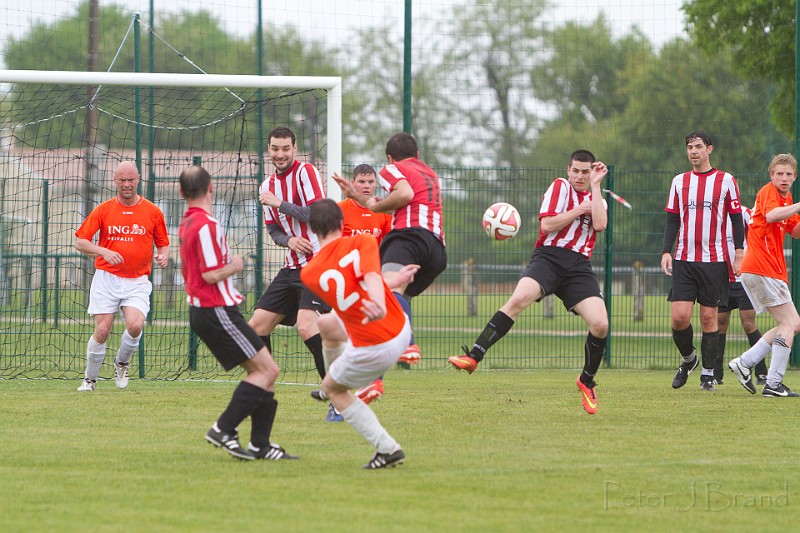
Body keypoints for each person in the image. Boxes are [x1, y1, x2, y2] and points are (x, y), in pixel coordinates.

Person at [449, 150, 610, 415]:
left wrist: (595, 187)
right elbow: (547, 225)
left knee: (601, 324)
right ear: (568, 170)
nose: (580, 176)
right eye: (576, 171)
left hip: (579, 266)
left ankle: (587, 380)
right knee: (519, 299)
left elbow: (600, 225)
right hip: (549, 258)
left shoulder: (597, 198)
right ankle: (473, 356)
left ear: (592, 172)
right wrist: (578, 209)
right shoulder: (559, 187)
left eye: (586, 172)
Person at [178, 165, 297, 460]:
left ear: (181, 193)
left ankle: (260, 445)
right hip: (215, 310)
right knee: (267, 370)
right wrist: (235, 265)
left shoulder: (187, 222)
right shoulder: (206, 225)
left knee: (265, 373)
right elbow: (208, 275)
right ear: (211, 188)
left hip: (210, 311)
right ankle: (223, 428)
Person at [300, 199, 419, 468]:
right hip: (400, 327)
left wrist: (376, 301)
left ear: (312, 230)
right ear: (342, 225)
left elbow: (364, 283)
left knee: (333, 390)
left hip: (376, 346)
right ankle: (340, 377)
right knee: (327, 324)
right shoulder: (363, 241)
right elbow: (368, 279)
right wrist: (394, 284)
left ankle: (387, 449)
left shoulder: (309, 273)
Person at [333, 132, 447, 367]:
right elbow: (404, 201)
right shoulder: (429, 173)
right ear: (417, 154)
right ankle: (376, 369)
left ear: (390, 158)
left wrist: (376, 207)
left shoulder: (392, 169)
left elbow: (404, 194)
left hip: (410, 238)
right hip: (437, 250)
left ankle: (408, 345)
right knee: (393, 301)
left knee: (386, 293)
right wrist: (360, 199)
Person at [247, 126, 336, 421]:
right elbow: (273, 229)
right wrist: (289, 240)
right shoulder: (266, 185)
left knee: (306, 326)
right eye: (275, 148)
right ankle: (264, 388)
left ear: (295, 148)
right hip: (292, 266)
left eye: (286, 148)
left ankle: (338, 395)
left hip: (318, 263)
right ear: (268, 149)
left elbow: (318, 214)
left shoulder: (305, 172)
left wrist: (280, 203)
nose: (280, 154)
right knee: (256, 326)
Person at [74, 161, 170, 391]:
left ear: (138, 179)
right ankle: (90, 379)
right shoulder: (104, 209)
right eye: (122, 180)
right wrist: (103, 250)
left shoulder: (153, 211)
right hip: (107, 278)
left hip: (137, 280)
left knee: (136, 325)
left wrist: (163, 256)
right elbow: (80, 241)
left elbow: (164, 244)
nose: (127, 184)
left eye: (130, 180)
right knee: (103, 329)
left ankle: (122, 363)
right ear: (114, 181)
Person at [661, 131, 745, 392]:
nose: (693, 151)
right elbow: (673, 218)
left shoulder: (726, 180)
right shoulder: (679, 181)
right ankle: (689, 359)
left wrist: (739, 251)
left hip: (714, 261)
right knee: (679, 317)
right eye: (689, 147)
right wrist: (666, 251)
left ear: (710, 149)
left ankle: (708, 374)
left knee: (710, 319)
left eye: (698, 146)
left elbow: (735, 218)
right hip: (684, 259)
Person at [728, 153, 800, 397]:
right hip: (762, 266)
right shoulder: (769, 192)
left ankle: (745, 362)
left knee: (789, 324)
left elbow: (796, 231)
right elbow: (770, 216)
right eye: (779, 173)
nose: (784, 178)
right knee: (790, 323)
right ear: (772, 175)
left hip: (768, 269)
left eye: (789, 174)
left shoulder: (787, 198)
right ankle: (773, 383)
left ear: (795, 177)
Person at [338, 164, 393, 404]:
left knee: (373, 332)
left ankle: (372, 381)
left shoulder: (383, 213)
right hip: (347, 283)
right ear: (352, 183)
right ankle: (343, 382)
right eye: (362, 181)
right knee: (342, 334)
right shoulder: (340, 210)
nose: (367, 186)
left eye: (371, 182)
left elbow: (390, 246)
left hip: (372, 282)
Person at [715, 206, 768, 385]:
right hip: (722, 280)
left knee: (748, 323)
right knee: (719, 324)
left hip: (744, 279)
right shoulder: (714, 214)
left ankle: (761, 372)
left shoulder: (745, 214)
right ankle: (715, 375)